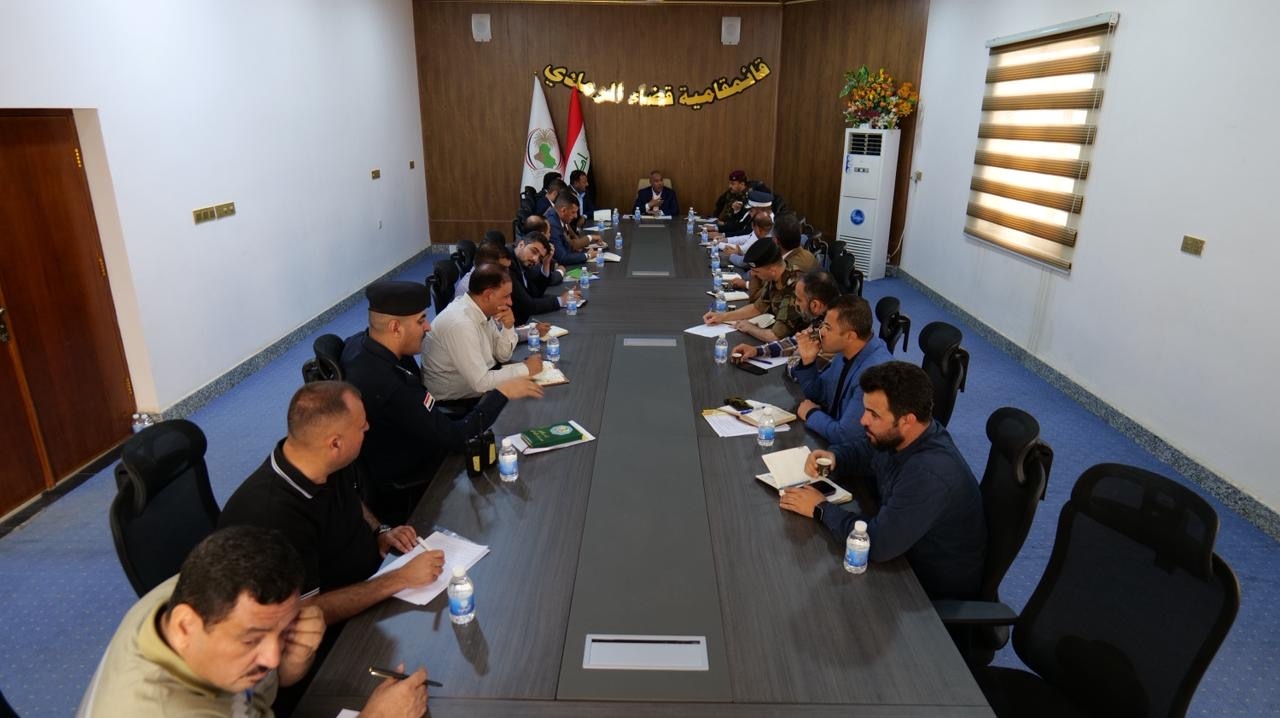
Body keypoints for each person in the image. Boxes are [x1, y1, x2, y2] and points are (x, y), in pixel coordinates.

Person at [78, 526, 429, 717]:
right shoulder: (161, 710)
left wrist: (289, 661)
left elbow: (263, 685)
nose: (273, 658)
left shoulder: (192, 591)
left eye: (284, 629)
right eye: (251, 639)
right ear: (185, 627)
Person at [218, 381, 446, 626]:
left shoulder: (323, 461)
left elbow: (350, 500)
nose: (367, 427)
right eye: (361, 426)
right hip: (337, 626)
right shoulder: (274, 517)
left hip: (373, 578)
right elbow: (303, 615)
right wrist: (399, 579)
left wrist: (379, 531)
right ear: (335, 444)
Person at [778, 362, 986, 600]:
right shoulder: (907, 434)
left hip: (926, 589)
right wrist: (836, 458)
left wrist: (820, 508)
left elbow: (877, 544)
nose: (863, 420)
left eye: (874, 415)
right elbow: (868, 451)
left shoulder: (929, 473)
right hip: (902, 551)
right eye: (866, 410)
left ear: (907, 420)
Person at [342, 280, 541, 523]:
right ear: (395, 327)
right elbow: (457, 438)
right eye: (420, 321)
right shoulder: (392, 385)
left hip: (399, 444)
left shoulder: (359, 344)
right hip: (415, 476)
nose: (428, 327)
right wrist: (503, 392)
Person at [420, 263, 544, 401]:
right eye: (506, 296)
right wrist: (525, 369)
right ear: (488, 295)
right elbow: (481, 383)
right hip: (458, 399)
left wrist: (508, 327)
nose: (510, 302)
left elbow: (502, 356)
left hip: (481, 378)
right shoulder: (460, 323)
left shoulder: (481, 309)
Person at [793, 295, 893, 445]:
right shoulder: (846, 351)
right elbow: (819, 393)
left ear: (850, 336)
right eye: (823, 325)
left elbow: (846, 436)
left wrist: (811, 413)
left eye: (828, 328)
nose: (821, 332)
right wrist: (808, 362)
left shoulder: (874, 375)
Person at [731, 268, 840, 374]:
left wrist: (798, 354)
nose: (796, 303)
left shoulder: (833, 332)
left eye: (799, 299)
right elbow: (795, 342)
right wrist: (757, 351)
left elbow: (795, 371)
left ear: (815, 305)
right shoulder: (823, 317)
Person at [703, 239, 802, 341]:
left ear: (772, 270)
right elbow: (758, 307)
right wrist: (722, 317)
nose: (753, 274)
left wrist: (750, 328)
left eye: (756, 271)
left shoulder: (795, 287)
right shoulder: (776, 276)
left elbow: (775, 336)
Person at [506, 231, 572, 327]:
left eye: (540, 257)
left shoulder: (523, 262)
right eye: (534, 251)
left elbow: (536, 293)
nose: (535, 259)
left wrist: (546, 262)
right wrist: (561, 300)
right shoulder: (507, 263)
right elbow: (529, 306)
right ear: (521, 244)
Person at [545, 193, 596, 266]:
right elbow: (562, 258)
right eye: (573, 212)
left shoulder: (556, 216)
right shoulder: (552, 224)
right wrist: (587, 255)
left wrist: (582, 251)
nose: (575, 216)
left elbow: (567, 247)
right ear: (563, 210)